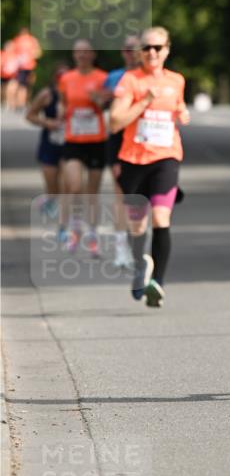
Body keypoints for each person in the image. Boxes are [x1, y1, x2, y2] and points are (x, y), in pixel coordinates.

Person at [110, 26, 190, 308]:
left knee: (160, 218)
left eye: (158, 47)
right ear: (139, 52)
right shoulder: (130, 80)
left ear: (167, 50)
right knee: (137, 225)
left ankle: (158, 282)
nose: (152, 52)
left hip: (166, 158)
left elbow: (179, 107)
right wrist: (144, 100)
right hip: (133, 161)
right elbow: (114, 122)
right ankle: (139, 268)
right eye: (146, 48)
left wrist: (183, 112)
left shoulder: (176, 80)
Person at [57, 39, 108, 254]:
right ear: (73, 55)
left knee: (92, 191)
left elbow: (106, 105)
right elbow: (62, 102)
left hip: (96, 140)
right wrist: (61, 112)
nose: (82, 56)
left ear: (93, 54)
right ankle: (75, 227)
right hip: (74, 140)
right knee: (75, 186)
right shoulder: (67, 78)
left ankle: (93, 234)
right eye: (78, 52)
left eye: (86, 52)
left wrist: (98, 99)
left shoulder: (102, 78)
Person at [102, 36, 142, 269]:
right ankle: (121, 248)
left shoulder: (151, 76)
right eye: (127, 49)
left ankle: (138, 244)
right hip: (119, 139)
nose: (131, 53)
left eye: (136, 49)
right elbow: (102, 105)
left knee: (141, 198)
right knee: (121, 195)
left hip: (145, 143)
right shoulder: (114, 77)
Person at [25, 61, 69, 224]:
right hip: (50, 143)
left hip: (70, 144)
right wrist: (47, 122)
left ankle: (64, 219)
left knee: (67, 183)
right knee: (52, 184)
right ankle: (51, 203)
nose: (62, 79)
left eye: (66, 75)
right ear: (54, 77)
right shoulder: (47, 94)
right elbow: (30, 115)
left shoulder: (75, 93)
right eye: (59, 75)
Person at [12, 27, 43, 110]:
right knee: (25, 86)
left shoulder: (18, 39)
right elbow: (38, 52)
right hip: (28, 66)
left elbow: (13, 53)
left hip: (23, 66)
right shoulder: (32, 40)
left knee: (21, 85)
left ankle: (18, 103)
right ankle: (21, 103)